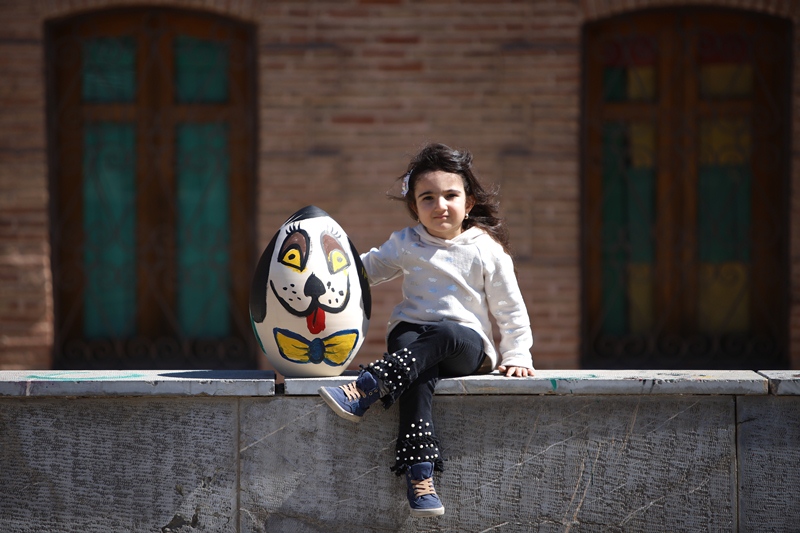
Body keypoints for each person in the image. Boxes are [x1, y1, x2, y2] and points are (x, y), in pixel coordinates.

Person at [318, 142, 534, 518]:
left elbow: (509, 307)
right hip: (413, 340)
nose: (440, 205)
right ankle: (421, 476)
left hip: (465, 344)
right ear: (414, 206)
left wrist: (517, 353)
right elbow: (365, 270)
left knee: (446, 334)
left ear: (469, 203)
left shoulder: (486, 249)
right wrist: (317, 271)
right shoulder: (406, 243)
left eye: (451, 195)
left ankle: (369, 385)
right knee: (414, 368)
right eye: (427, 198)